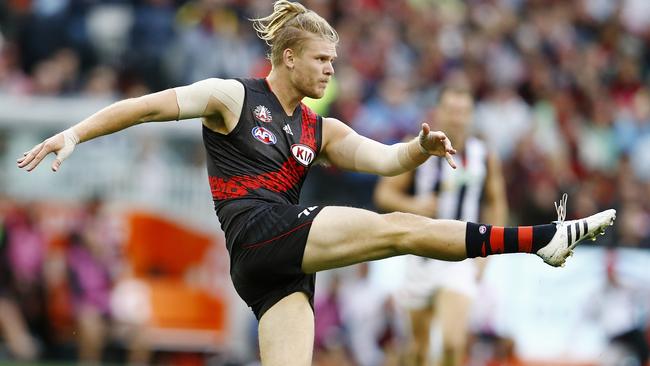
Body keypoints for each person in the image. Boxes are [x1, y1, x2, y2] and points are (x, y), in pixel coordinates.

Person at [17, 2, 617, 365]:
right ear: (286, 58)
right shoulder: (232, 97)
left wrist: (420, 148)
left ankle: (544, 241)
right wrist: (75, 133)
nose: (331, 69)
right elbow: (145, 107)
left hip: (276, 268)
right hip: (260, 234)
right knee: (400, 229)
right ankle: (542, 239)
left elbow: (385, 161)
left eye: (334, 60)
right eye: (322, 59)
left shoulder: (319, 127)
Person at [374, 85, 507, 366]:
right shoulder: (419, 149)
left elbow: (496, 202)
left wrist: (489, 254)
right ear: (439, 112)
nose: (457, 118)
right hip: (419, 256)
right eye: (452, 110)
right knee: (418, 351)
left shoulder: (483, 155)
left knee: (451, 343)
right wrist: (415, 206)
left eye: (463, 112)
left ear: (471, 115)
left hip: (460, 256)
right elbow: (384, 194)